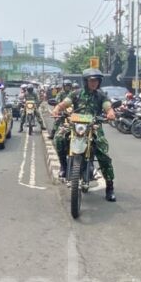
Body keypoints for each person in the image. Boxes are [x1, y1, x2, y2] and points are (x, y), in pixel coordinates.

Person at [52, 68, 118, 201]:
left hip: (94, 126)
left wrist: (110, 112)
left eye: (96, 81)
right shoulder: (76, 93)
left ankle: (110, 187)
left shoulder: (101, 95)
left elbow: (107, 106)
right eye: (91, 80)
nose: (94, 83)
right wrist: (57, 108)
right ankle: (64, 166)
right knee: (59, 138)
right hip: (75, 125)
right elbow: (65, 103)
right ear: (86, 81)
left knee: (104, 154)